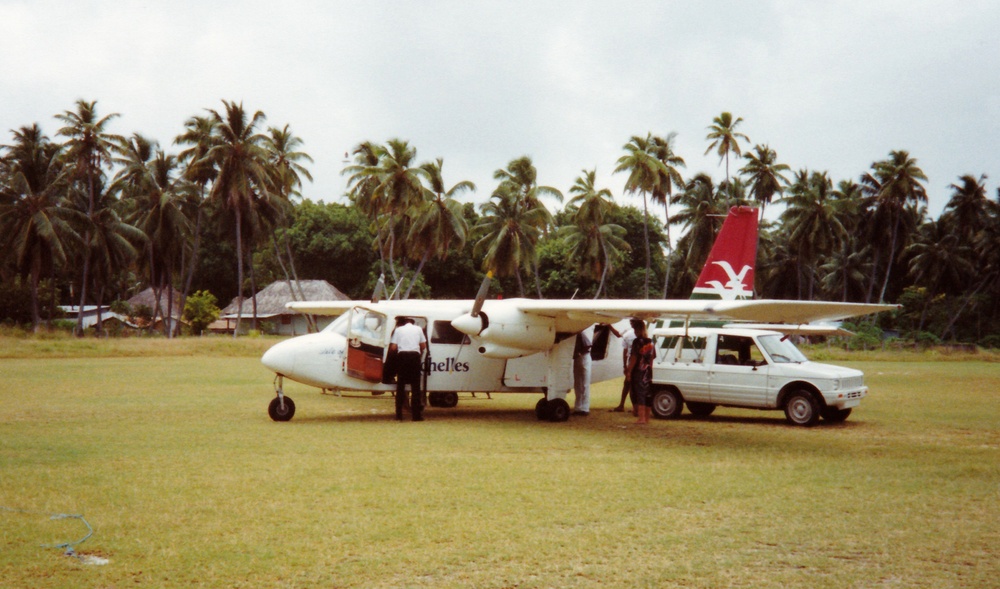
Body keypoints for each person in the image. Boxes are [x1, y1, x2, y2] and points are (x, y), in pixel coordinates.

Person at [389, 316, 427, 421]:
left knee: (400, 387)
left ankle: (399, 415)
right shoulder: (418, 329)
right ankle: (416, 416)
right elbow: (423, 346)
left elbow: (393, 347)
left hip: (402, 356)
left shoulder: (398, 330)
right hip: (414, 356)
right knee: (416, 388)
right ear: (412, 322)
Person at [625, 319, 655, 424]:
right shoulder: (650, 341)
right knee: (648, 393)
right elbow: (653, 356)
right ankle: (646, 417)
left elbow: (634, 357)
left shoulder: (637, 341)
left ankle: (641, 417)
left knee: (639, 393)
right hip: (648, 370)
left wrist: (628, 371)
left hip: (639, 370)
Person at [607, 322, 636, 415]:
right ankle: (627, 406)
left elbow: (625, 350)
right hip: (635, 361)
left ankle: (633, 407)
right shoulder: (634, 332)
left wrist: (625, 366)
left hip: (632, 360)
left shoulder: (628, 333)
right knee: (629, 384)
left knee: (630, 384)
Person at [572, 331, 592, 416]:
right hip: (577, 358)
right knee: (577, 384)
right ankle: (578, 407)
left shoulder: (579, 333)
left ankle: (585, 408)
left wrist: (579, 353)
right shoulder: (573, 333)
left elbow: (588, 346)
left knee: (585, 384)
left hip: (584, 357)